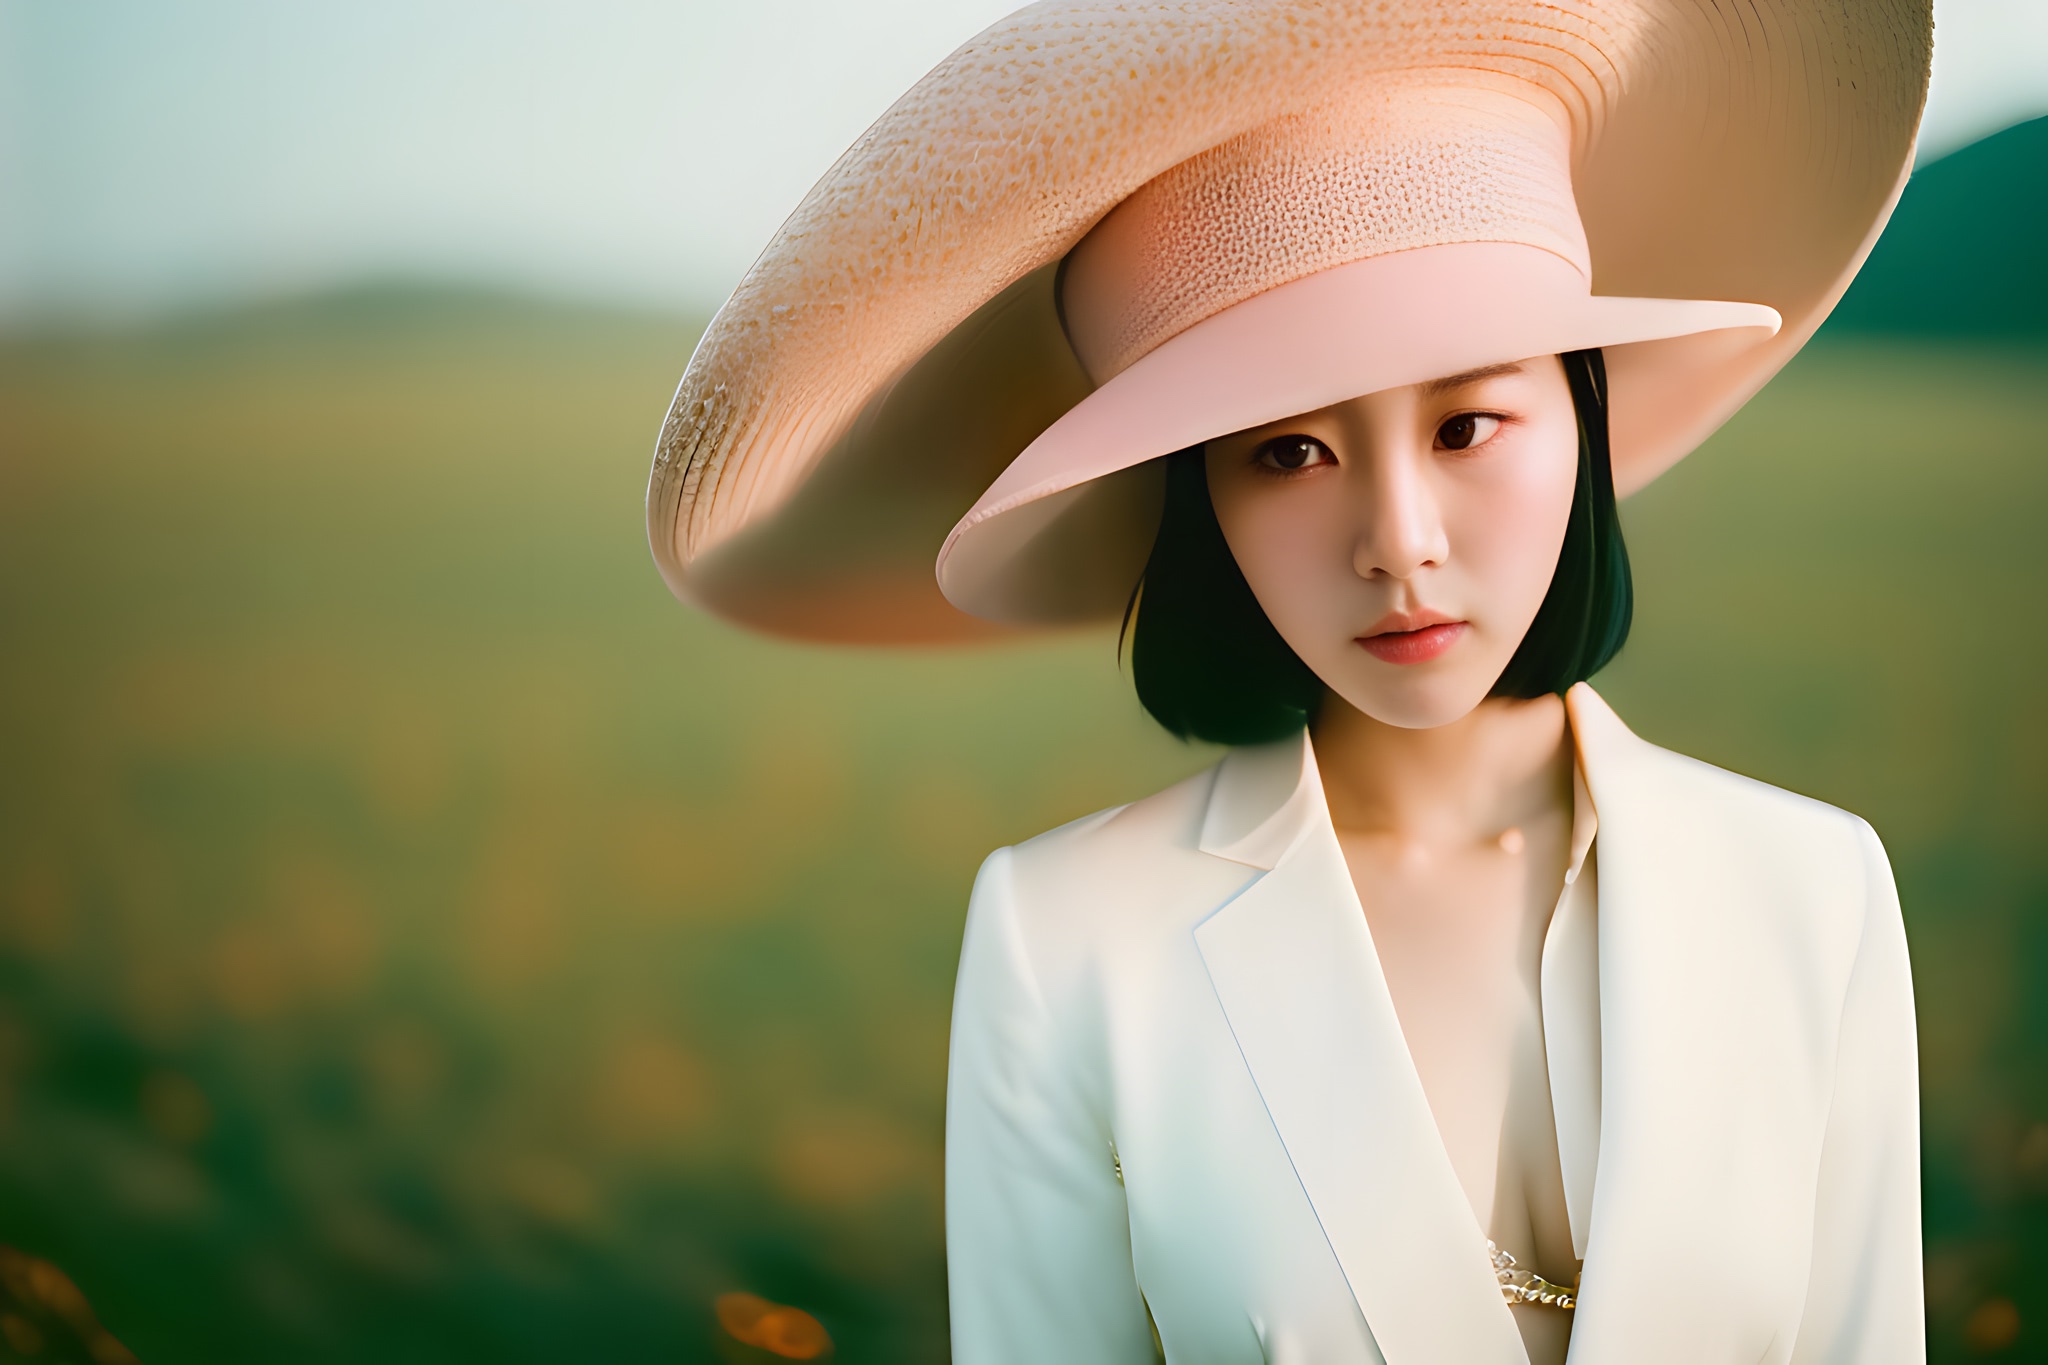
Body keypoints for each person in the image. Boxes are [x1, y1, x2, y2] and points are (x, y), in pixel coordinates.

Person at [646, 3, 1934, 1360]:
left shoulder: (1816, 889)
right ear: (1195, 497)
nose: (1399, 541)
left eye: (1468, 423)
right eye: (1286, 453)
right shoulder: (1071, 939)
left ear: (1584, 412)